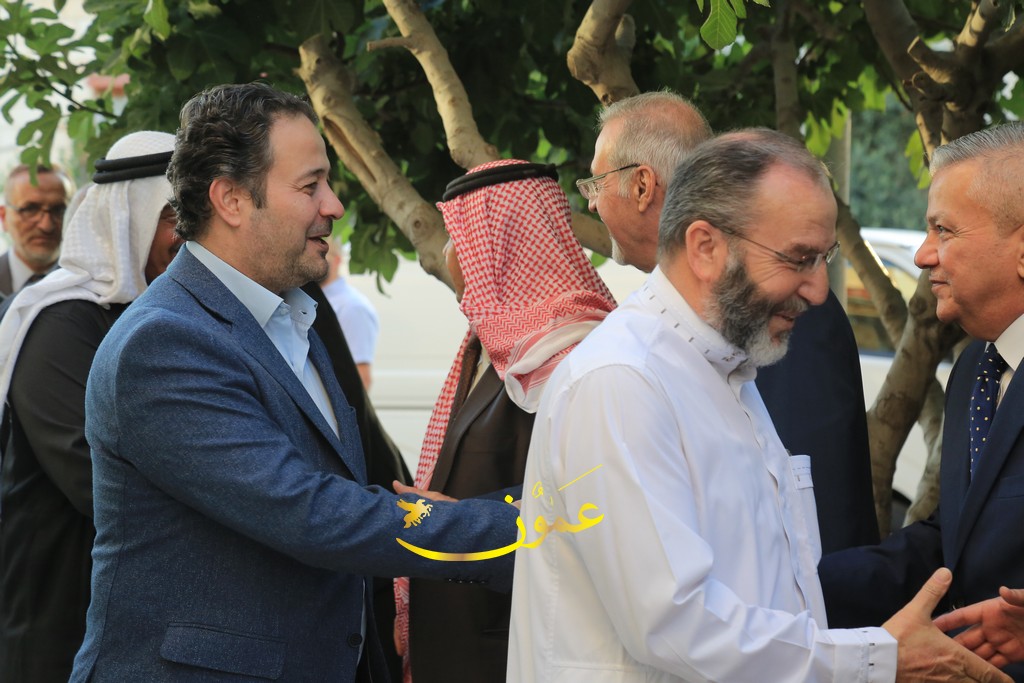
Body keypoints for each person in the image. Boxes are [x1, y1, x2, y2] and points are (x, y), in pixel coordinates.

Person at [507, 129, 1010, 682]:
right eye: (800, 259)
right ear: (706, 248)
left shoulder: (726, 369)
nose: (819, 290)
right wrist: (876, 658)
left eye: (824, 258)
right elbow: (674, 623)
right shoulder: (622, 381)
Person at [69, 82, 518, 683]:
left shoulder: (289, 313)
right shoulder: (165, 343)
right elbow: (311, 513)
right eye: (310, 186)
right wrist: (524, 532)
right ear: (231, 199)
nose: (334, 205)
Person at [584, 90, 879, 552]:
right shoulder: (621, 362)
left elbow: (815, 515)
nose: (591, 203)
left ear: (642, 186)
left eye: (596, 183)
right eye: (799, 258)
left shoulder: (782, 308)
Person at [396, 160, 617, 682]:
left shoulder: (571, 357)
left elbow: (589, 502)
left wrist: (458, 520)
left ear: (501, 246)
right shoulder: (491, 346)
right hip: (457, 642)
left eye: (459, 236)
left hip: (515, 649)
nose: (450, 255)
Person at [819, 122, 1024, 682]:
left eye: (943, 230)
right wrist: (798, 585)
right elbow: (952, 541)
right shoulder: (976, 369)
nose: (922, 253)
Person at [0, 131, 179, 682]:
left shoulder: (158, 318)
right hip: (58, 613)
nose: (189, 233)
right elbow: (96, 481)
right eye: (171, 215)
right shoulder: (62, 320)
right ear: (130, 217)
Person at [0, 163, 72, 295]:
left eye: (58, 210)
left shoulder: (94, 284)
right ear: (4, 217)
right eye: (30, 209)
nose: (46, 226)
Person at [321, 238, 380, 389]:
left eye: (323, 254)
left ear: (337, 260)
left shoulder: (351, 307)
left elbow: (361, 378)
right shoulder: (314, 300)